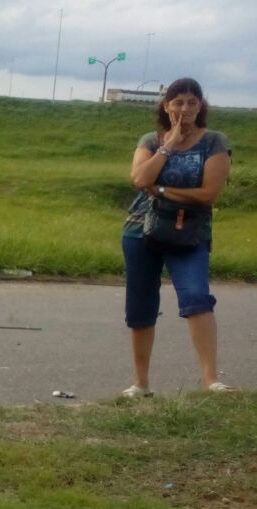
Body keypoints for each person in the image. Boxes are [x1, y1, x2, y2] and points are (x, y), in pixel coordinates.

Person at [121, 77, 233, 396]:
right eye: (178, 102)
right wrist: (169, 144)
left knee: (197, 297)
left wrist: (161, 190)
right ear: (166, 106)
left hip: (188, 232)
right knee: (140, 303)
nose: (185, 108)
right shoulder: (151, 140)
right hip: (140, 229)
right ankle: (140, 384)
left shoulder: (213, 142)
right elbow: (139, 177)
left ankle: (212, 381)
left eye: (192, 102)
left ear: (201, 106)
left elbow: (208, 193)